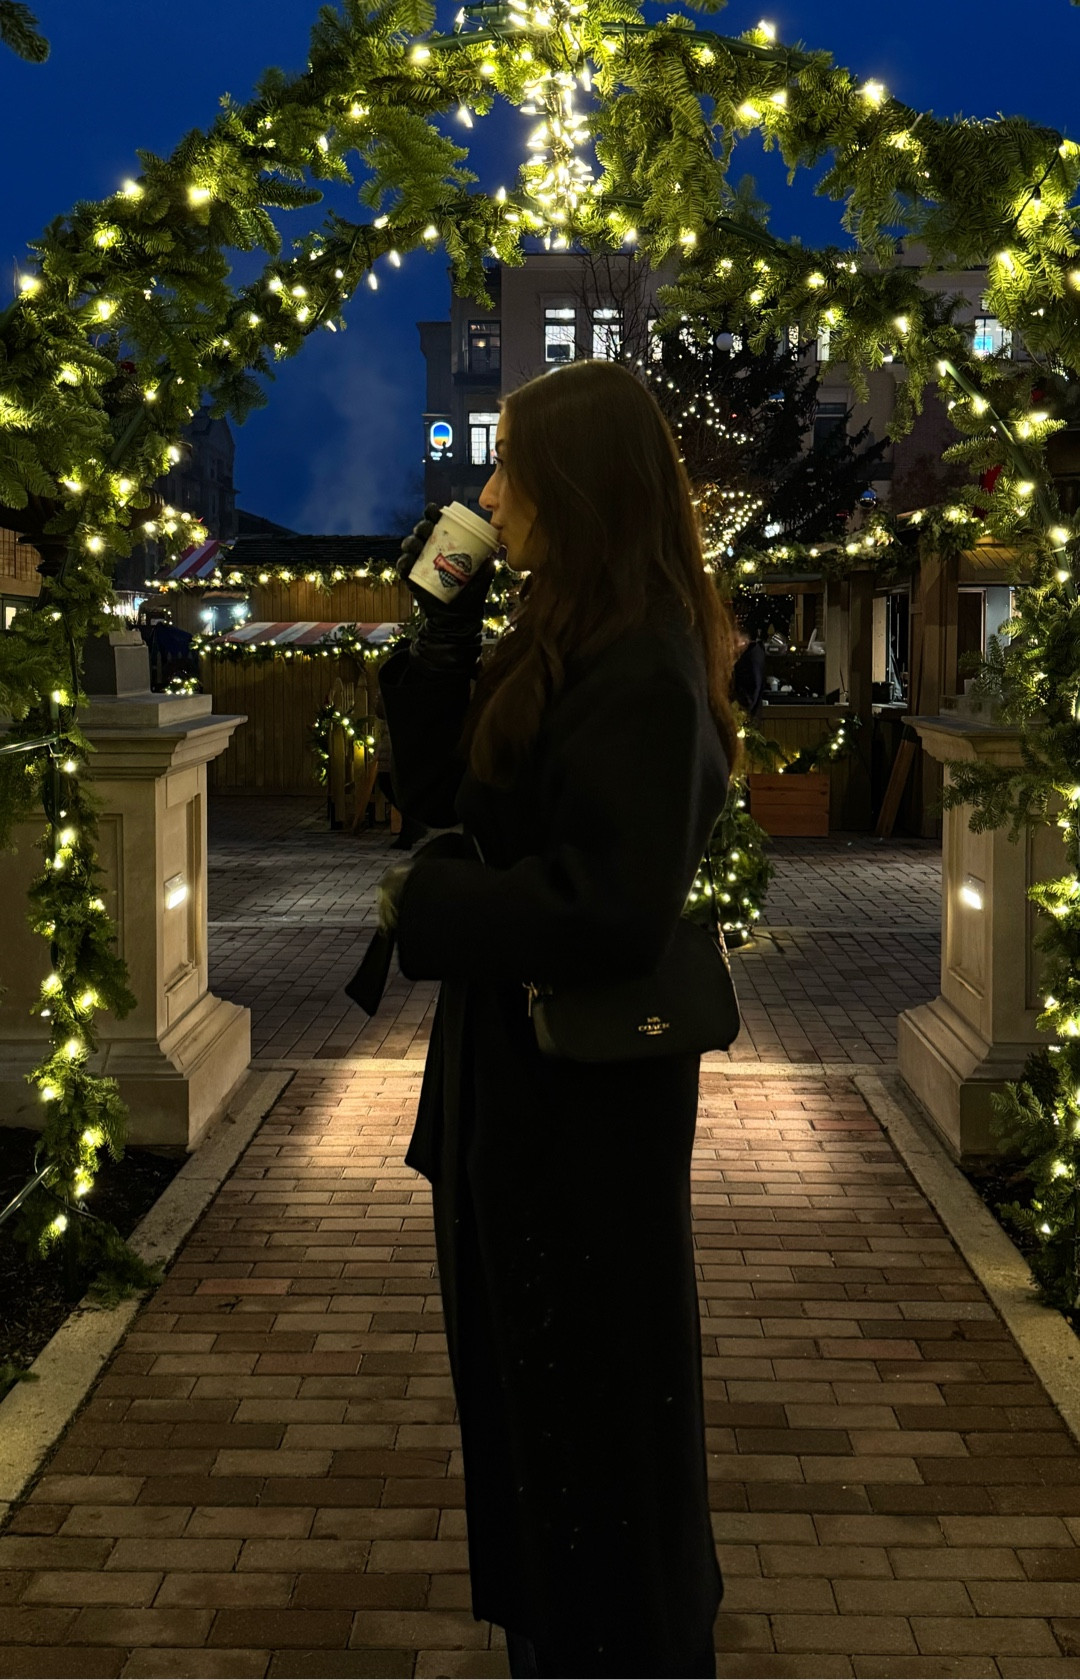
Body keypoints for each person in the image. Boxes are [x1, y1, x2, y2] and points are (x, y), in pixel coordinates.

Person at [375, 361, 738, 1680]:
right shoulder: (561, 634)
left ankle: (616, 1649)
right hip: (515, 1091)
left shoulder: (642, 661)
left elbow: (611, 908)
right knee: (534, 1409)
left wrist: (433, 906)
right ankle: (564, 1638)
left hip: (581, 1115)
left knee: (591, 1413)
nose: (488, 493)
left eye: (510, 467)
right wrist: (438, 627)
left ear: (573, 485)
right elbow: (438, 793)